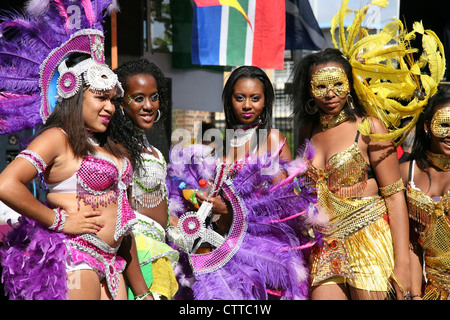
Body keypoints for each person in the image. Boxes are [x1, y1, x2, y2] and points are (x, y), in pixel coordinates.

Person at [292, 0, 445, 300]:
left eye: (337, 84)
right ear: (309, 90)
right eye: (320, 86)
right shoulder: (307, 131)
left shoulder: (370, 127)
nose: (330, 93)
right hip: (326, 246)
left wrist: (402, 264)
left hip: (370, 240)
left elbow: (395, 196)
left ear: (350, 85)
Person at [0, 2, 151, 300]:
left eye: (112, 99)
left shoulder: (113, 147)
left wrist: (144, 293)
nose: (109, 107)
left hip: (114, 264)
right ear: (73, 93)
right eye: (100, 98)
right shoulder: (58, 137)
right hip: (76, 257)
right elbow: (6, 184)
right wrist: (58, 221)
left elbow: (125, 223)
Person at [166, 66, 321, 300]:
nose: (247, 105)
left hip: (263, 249)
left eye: (255, 98)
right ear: (230, 101)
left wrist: (229, 209)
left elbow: (285, 202)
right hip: (221, 243)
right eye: (240, 98)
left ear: (266, 102)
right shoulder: (221, 142)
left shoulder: (272, 138)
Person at [109, 58, 179, 300]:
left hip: (157, 249)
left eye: (154, 96)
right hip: (137, 255)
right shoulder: (119, 149)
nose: (149, 105)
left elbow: (152, 202)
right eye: (139, 98)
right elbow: (122, 216)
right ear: (120, 103)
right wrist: (141, 291)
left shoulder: (148, 147)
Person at [400, 87, 450, 300]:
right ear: (428, 126)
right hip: (431, 290)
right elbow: (410, 242)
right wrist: (415, 294)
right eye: (444, 124)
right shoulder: (407, 172)